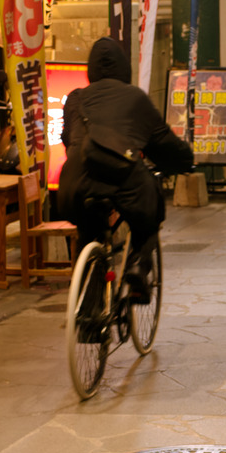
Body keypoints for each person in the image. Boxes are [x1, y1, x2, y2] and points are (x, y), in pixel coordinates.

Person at [60, 37, 194, 299]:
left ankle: (85, 305)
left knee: (89, 232)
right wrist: (185, 161)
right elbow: (163, 143)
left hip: (73, 185)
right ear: (124, 68)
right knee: (150, 209)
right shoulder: (135, 98)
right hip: (123, 181)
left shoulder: (75, 99)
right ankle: (138, 267)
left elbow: (68, 140)